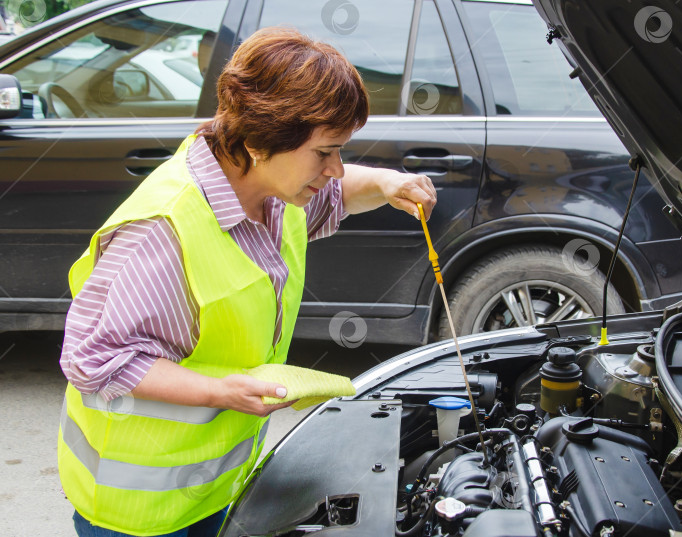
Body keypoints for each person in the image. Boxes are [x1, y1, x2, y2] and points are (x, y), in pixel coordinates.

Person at [58, 27, 436, 537]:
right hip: (138, 509)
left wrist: (388, 183)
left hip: (217, 484)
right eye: (325, 152)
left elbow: (338, 194)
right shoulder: (162, 231)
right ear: (261, 140)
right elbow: (94, 360)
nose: (336, 168)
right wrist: (220, 391)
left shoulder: (274, 190)